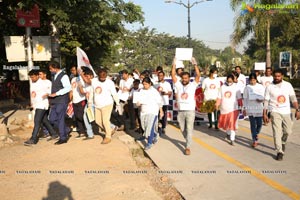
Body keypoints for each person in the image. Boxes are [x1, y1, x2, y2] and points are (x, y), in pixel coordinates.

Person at [263, 69, 300, 161]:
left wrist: (297, 109)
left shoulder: (288, 85)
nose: (277, 78)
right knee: (277, 132)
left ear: (282, 76)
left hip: (286, 111)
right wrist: (264, 114)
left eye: (279, 76)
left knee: (288, 131)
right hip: (274, 111)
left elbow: (293, 98)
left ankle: (283, 142)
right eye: (275, 76)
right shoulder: (269, 87)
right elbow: (266, 101)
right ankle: (279, 151)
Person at [171, 57, 201, 155]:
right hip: (181, 111)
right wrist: (174, 63)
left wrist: (195, 64)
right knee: (182, 129)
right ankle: (188, 139)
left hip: (190, 111)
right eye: (183, 78)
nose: (184, 80)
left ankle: (187, 147)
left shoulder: (192, 85)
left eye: (186, 78)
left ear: (189, 78)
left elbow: (198, 76)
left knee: (189, 129)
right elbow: (173, 75)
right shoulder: (178, 85)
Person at [24, 70, 57, 146]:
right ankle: (54, 134)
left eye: (33, 77)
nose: (32, 78)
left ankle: (33, 139)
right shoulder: (32, 83)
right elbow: (33, 94)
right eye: (31, 77)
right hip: (36, 105)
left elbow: (49, 92)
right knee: (44, 120)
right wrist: (32, 103)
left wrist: (47, 94)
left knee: (37, 121)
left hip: (42, 105)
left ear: (37, 76)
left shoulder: (44, 83)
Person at [88, 68, 120, 144]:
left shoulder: (110, 83)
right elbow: (92, 92)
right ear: (98, 76)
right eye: (101, 78)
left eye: (104, 77)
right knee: (98, 121)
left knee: (105, 121)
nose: (103, 79)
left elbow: (114, 94)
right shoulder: (94, 81)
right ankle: (111, 129)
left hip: (107, 104)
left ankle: (108, 137)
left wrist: (118, 103)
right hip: (97, 105)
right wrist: (90, 102)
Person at [136, 77, 163, 150]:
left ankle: (149, 143)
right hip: (144, 111)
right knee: (144, 127)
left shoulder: (154, 91)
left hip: (153, 111)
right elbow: (138, 100)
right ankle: (155, 135)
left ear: (150, 84)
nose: (145, 86)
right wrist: (138, 103)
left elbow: (159, 101)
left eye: (146, 84)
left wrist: (161, 111)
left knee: (150, 127)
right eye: (144, 84)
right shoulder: (141, 91)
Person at [215, 74, 242, 146]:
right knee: (227, 123)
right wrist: (217, 105)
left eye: (231, 80)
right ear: (226, 80)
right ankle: (228, 133)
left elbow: (239, 99)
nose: (229, 82)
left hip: (234, 109)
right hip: (224, 108)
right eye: (228, 80)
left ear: (233, 80)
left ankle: (232, 139)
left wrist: (241, 107)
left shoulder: (236, 87)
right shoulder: (222, 87)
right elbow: (219, 97)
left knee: (232, 123)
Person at [48, 61, 71, 145]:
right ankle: (66, 130)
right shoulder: (54, 76)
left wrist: (56, 93)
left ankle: (63, 138)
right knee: (52, 119)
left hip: (61, 100)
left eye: (51, 69)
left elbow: (68, 88)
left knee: (60, 119)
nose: (50, 70)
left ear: (55, 67)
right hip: (54, 101)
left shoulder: (64, 76)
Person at [243, 73, 265, 147]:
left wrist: (261, 100)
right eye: (251, 80)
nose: (252, 81)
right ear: (249, 80)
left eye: (254, 80)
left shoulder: (261, 87)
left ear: (256, 79)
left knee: (259, 124)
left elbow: (264, 96)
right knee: (252, 124)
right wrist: (244, 108)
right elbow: (245, 98)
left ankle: (257, 133)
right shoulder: (247, 87)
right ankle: (254, 140)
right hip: (250, 108)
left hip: (259, 108)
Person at [70, 67, 87, 139]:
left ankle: (87, 128)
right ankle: (82, 132)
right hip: (74, 100)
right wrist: (70, 99)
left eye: (74, 70)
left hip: (81, 99)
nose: (73, 71)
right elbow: (71, 90)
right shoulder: (73, 79)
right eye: (72, 70)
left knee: (81, 116)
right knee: (77, 116)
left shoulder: (83, 78)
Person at [154, 71, 172, 136]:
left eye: (161, 75)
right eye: (159, 75)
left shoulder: (167, 84)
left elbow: (170, 92)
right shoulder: (155, 84)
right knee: (157, 115)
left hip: (164, 102)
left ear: (164, 76)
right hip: (157, 103)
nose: (160, 77)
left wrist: (165, 93)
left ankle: (163, 127)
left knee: (164, 115)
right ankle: (157, 127)